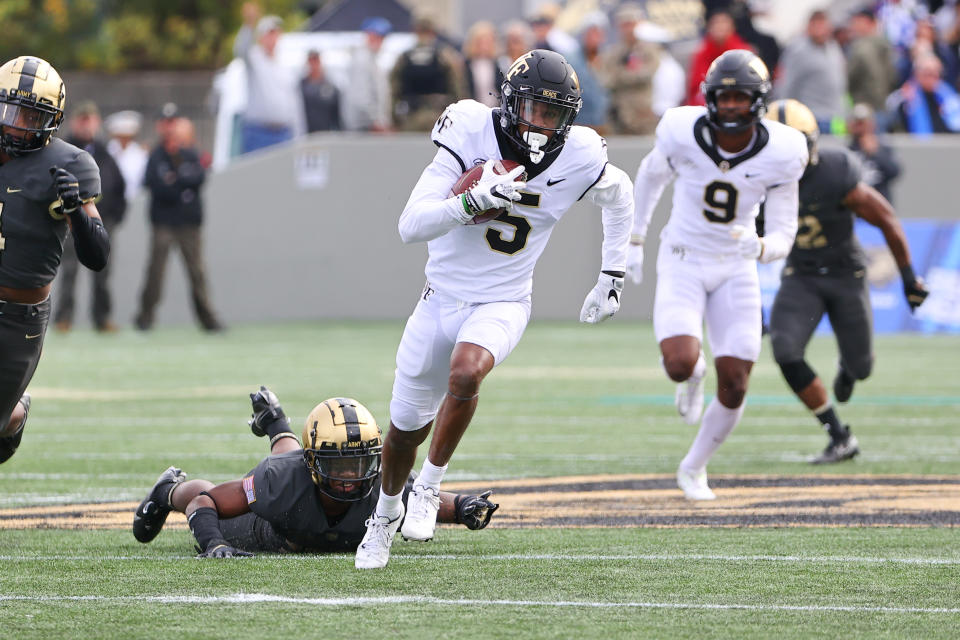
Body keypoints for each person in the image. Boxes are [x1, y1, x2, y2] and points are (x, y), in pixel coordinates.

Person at [355, 49, 634, 569]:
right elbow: (409, 226)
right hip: (439, 298)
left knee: (467, 372)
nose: (542, 123)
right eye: (534, 109)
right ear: (509, 103)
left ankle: (430, 490)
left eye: (554, 114)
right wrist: (472, 202)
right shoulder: (468, 129)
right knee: (402, 432)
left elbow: (621, 195)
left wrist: (612, 274)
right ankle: (383, 517)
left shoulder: (580, 154)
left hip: (504, 300)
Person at [626, 49, 808, 500]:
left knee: (737, 379)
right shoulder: (680, 131)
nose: (730, 106)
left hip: (735, 266)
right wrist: (634, 239)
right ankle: (691, 378)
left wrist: (762, 246)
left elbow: (785, 231)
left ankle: (694, 467)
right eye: (723, 97)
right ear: (710, 97)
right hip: (684, 256)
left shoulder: (784, 151)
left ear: (757, 100)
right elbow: (650, 178)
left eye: (739, 98)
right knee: (680, 363)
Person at [132, 388, 499, 556]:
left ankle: (275, 422)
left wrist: (466, 506)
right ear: (314, 463)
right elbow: (204, 501)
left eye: (360, 462)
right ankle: (168, 488)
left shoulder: (382, 483)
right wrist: (214, 543)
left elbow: (426, 502)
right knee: (214, 488)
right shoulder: (281, 480)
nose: (351, 475)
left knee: (291, 462)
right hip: (271, 529)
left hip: (299, 480)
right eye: (338, 465)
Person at [765, 99, 929, 464]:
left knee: (862, 367)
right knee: (785, 351)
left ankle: (848, 370)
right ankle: (838, 436)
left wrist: (907, 278)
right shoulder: (755, 182)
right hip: (801, 274)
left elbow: (886, 219)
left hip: (845, 273)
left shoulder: (834, 171)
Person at [0, 56, 110, 464]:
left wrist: (77, 212)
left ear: (51, 120)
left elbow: (97, 256)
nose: (15, 123)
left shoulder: (68, 164)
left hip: (17, 317)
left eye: (29, 115)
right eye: (8, 110)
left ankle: (15, 414)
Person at [134, 117, 223, 332]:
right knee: (156, 272)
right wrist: (181, 186)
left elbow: (198, 178)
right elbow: (156, 185)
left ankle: (208, 318)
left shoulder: (190, 154)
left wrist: (176, 180)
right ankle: (145, 317)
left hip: (189, 223)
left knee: (197, 272)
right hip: (163, 222)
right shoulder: (156, 156)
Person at [53, 101, 126, 333]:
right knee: (69, 272)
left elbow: (120, 187)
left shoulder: (105, 152)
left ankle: (102, 318)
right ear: (75, 122)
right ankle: (64, 318)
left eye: (90, 120)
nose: (86, 125)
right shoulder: (63, 150)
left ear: (96, 123)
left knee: (102, 272)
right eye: (82, 120)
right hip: (71, 221)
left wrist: (114, 217)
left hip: (101, 221)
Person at [233, 4, 303, 153]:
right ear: (261, 37)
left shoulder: (285, 66)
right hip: (258, 133)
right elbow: (241, 49)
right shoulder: (254, 58)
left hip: (284, 133)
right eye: (268, 33)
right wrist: (249, 24)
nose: (272, 38)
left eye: (275, 33)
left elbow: (294, 105)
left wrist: (299, 136)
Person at [389, 13, 464, 132]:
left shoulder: (403, 58)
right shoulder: (446, 56)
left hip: (412, 118)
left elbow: (393, 91)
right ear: (434, 32)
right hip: (440, 118)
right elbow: (457, 88)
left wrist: (394, 119)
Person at [777, 10, 847, 134]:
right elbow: (787, 85)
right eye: (816, 25)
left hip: (835, 117)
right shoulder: (798, 51)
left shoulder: (833, 48)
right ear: (809, 26)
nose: (820, 30)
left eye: (823, 25)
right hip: (811, 118)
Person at [885, 53, 960, 134]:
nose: (934, 77)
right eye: (929, 73)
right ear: (917, 73)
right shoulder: (902, 98)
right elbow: (892, 126)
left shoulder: (948, 96)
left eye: (938, 73)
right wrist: (905, 106)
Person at [341, 17, 393, 133]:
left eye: (381, 38)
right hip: (364, 127)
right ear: (368, 36)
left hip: (367, 126)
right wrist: (376, 122)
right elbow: (361, 97)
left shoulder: (371, 60)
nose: (380, 42)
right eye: (377, 37)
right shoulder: (362, 60)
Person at [847, 103, 902, 204]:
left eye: (863, 123)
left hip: (880, 203)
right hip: (857, 206)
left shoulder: (883, 148)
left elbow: (895, 172)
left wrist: (876, 153)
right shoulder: (848, 150)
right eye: (857, 123)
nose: (860, 127)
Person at [104, 110, 148, 203]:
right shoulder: (107, 152)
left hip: (134, 200)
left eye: (128, 136)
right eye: (121, 136)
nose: (124, 140)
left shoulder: (140, 154)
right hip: (110, 201)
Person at [300, 50, 342, 133]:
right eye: (311, 61)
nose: (314, 65)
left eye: (316, 61)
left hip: (325, 131)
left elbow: (336, 112)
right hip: (306, 132)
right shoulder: (301, 85)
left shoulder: (330, 85)